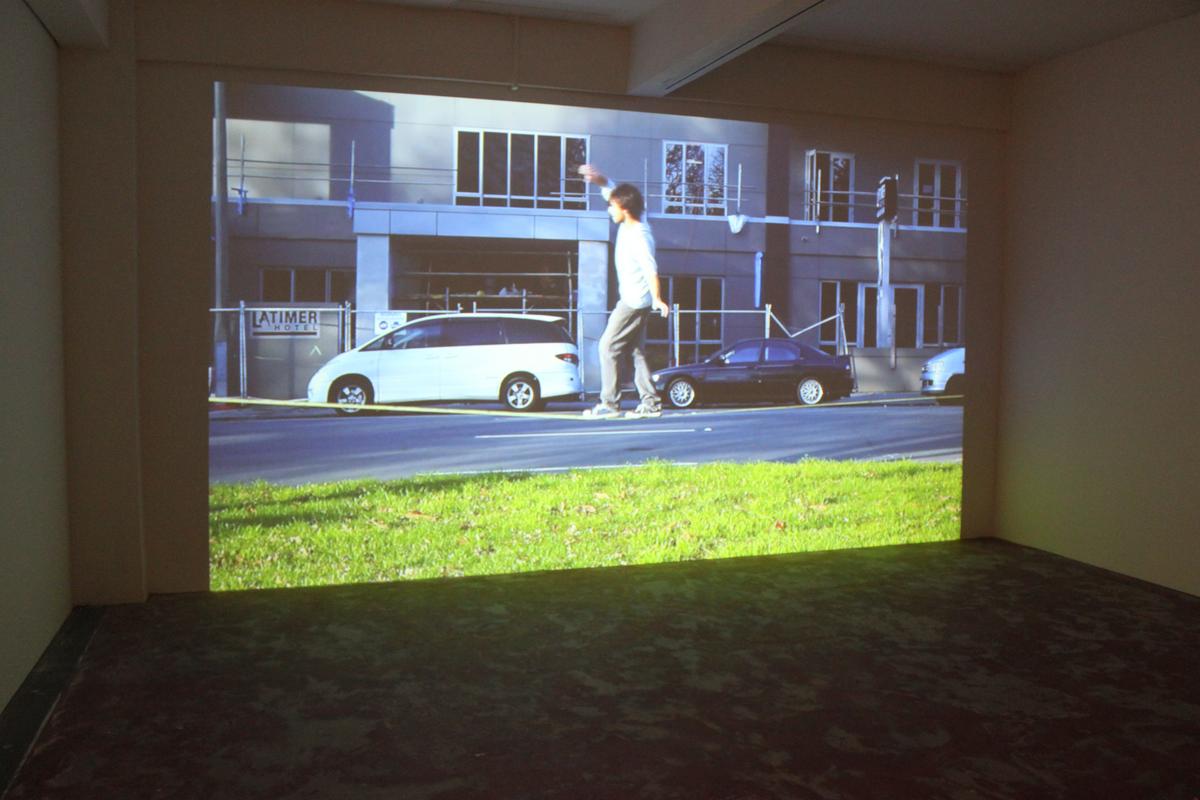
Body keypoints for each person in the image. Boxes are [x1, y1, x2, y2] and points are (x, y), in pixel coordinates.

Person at [578, 164, 670, 419]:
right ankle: (651, 404)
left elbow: (651, 269)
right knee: (635, 351)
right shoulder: (632, 219)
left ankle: (610, 403)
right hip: (635, 300)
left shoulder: (640, 235)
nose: (609, 210)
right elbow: (614, 191)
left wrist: (658, 299)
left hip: (633, 302)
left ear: (625, 209)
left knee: (607, 347)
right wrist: (600, 179)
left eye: (613, 207)